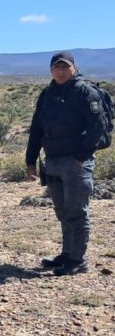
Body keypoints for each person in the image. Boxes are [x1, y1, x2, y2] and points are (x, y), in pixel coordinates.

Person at [25, 52, 107, 276]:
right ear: (51, 70)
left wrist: (81, 157)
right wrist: (30, 160)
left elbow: (97, 128)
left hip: (76, 163)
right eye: (57, 67)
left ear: (74, 68)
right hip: (52, 161)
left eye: (65, 67)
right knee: (62, 211)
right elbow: (36, 128)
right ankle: (67, 254)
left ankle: (77, 259)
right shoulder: (48, 93)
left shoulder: (85, 92)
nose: (61, 71)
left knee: (77, 212)